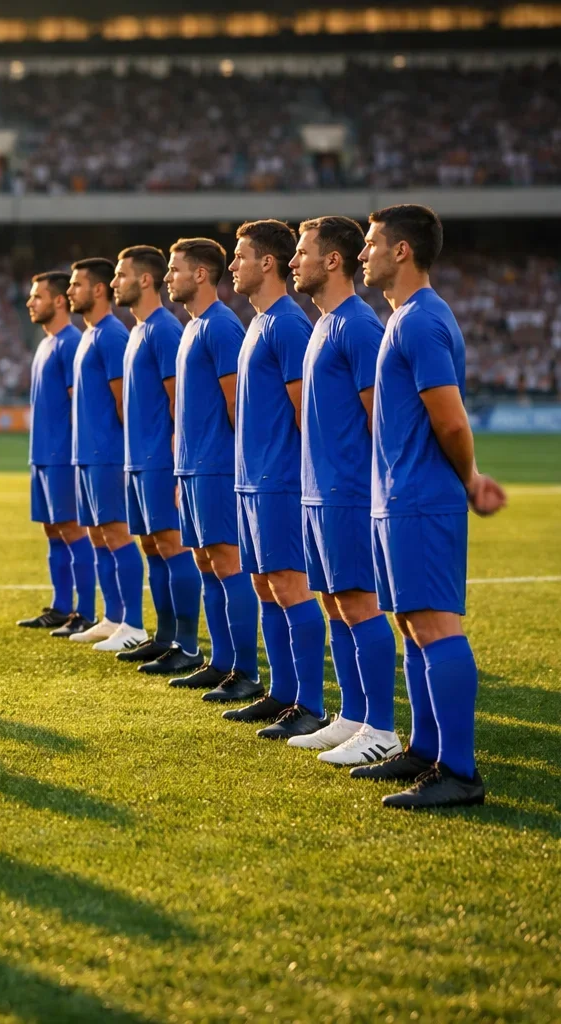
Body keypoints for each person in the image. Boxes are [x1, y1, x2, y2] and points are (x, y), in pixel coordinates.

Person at [354, 204, 504, 808]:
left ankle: (460, 773)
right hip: (399, 498)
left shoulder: (420, 321)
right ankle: (425, 750)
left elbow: (451, 418)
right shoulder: (401, 319)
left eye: (371, 243)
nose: (364, 253)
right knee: (412, 625)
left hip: (421, 498)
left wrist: (470, 479)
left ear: (402, 252)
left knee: (436, 625)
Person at [287, 216, 403, 766]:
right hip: (318, 492)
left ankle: (382, 727)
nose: (293, 262)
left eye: (302, 252)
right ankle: (353, 716)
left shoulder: (358, 325)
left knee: (358, 604)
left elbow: (379, 417)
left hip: (348, 493)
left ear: (332, 261)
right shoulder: (322, 325)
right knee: (335, 604)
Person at [224, 220, 328, 740]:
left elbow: (304, 411)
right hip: (251, 481)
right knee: (265, 587)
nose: (232, 266)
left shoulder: (288, 323)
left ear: (267, 263)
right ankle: (282, 694)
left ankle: (309, 703)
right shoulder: (257, 323)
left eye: (240, 256)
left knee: (289, 587)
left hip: (280, 481)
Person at [165, 238, 255, 692]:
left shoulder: (221, 326)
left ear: (201, 274)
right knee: (205, 563)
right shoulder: (192, 327)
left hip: (218, 468)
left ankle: (245, 671)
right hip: (193, 470)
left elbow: (237, 404)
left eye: (174, 269)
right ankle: (220, 662)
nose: (168, 278)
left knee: (227, 563)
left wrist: (236, 469)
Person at [111, 246, 202, 667]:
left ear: (143, 280)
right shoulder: (137, 331)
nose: (115, 282)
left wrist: (173, 466)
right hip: (138, 460)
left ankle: (187, 644)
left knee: (171, 545)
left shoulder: (165, 329)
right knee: (151, 546)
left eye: (121, 274)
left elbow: (176, 400)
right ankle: (165, 637)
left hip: (159, 461)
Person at [63, 257, 145, 652]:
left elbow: (121, 400)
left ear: (96, 291)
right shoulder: (90, 334)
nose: (70, 292)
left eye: (77, 285)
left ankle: (133, 623)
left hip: (107, 453)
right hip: (87, 454)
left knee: (115, 534)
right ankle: (112, 617)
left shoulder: (112, 334)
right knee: (98, 536)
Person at [16, 271, 95, 634]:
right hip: (43, 456)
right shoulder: (45, 342)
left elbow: (76, 402)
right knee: (52, 530)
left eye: (37, 296)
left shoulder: (69, 343)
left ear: (59, 301)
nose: (31, 302)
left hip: (63, 456)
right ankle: (62, 606)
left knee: (73, 531)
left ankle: (85, 612)